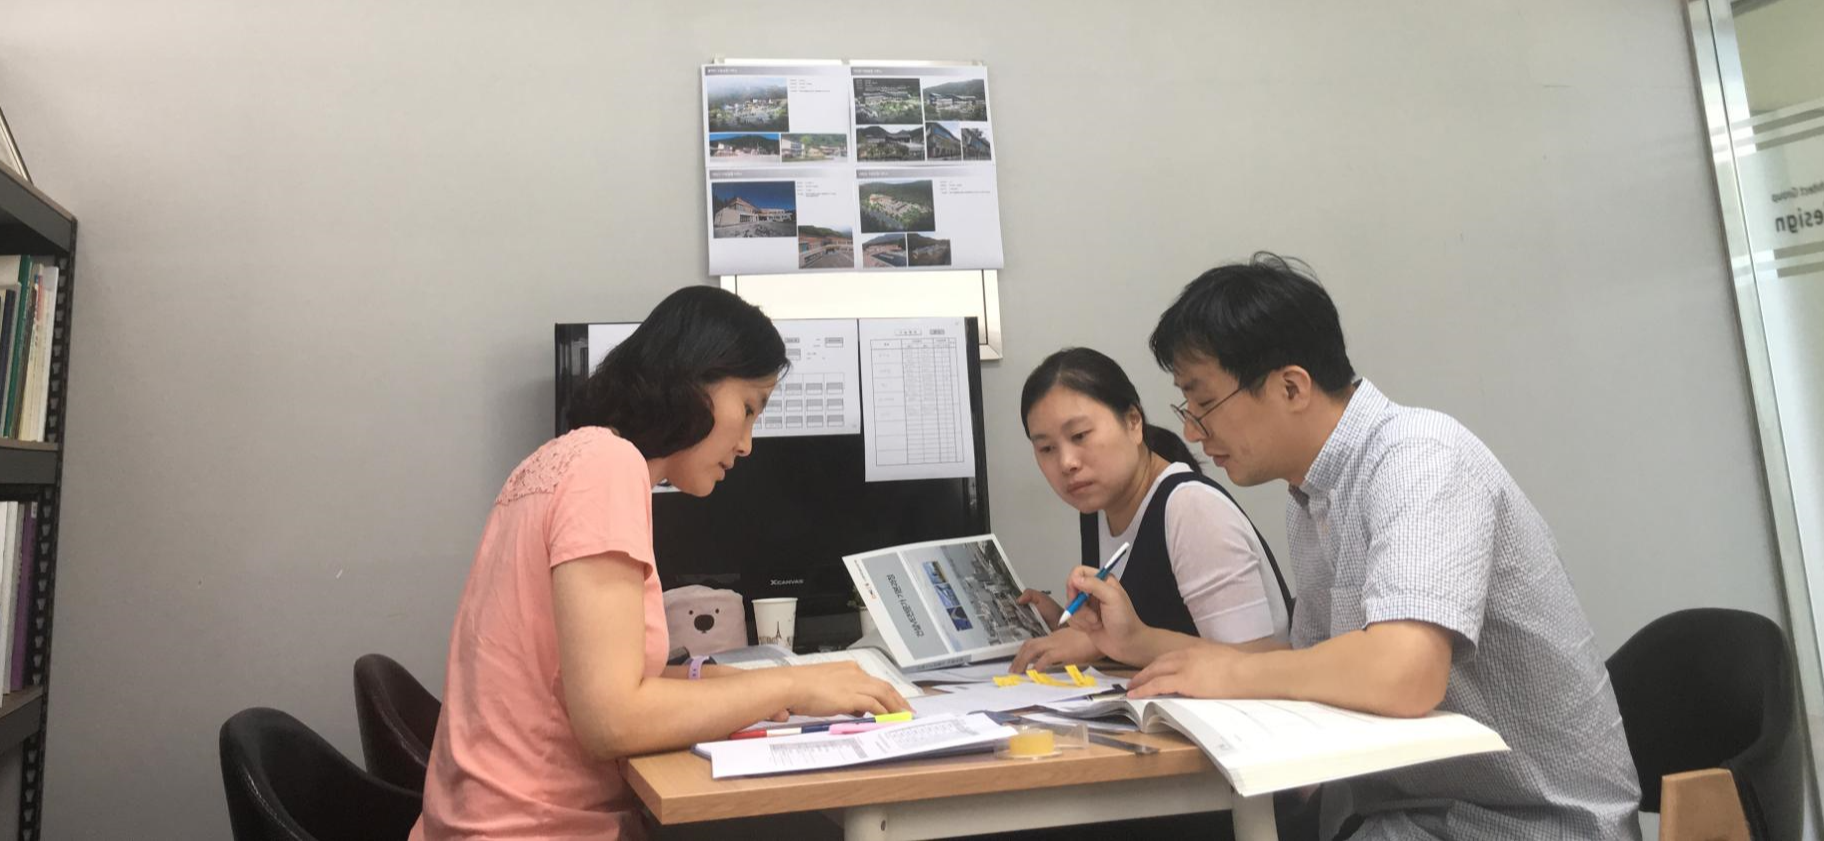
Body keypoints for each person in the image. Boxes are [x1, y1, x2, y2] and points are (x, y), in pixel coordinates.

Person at [1066, 254, 1641, 840]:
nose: (1191, 430)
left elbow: (1403, 672)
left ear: (1291, 386)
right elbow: (1317, 669)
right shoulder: (1313, 497)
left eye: (1204, 402)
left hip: (1526, 824)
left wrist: (1236, 672)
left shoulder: (1420, 459)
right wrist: (1140, 642)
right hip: (1411, 813)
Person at [413, 286, 908, 841]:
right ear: (695, 380)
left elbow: (597, 682)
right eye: (749, 408)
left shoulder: (558, 461)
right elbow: (611, 720)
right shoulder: (606, 467)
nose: (747, 444)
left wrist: (767, 682)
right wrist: (790, 687)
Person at [1011, 347, 1291, 674]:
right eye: (1046, 448)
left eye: (1080, 435)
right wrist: (1071, 626)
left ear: (1133, 422)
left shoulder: (1191, 508)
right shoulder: (1097, 507)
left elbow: (1259, 662)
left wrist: (1106, 644)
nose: (1066, 463)